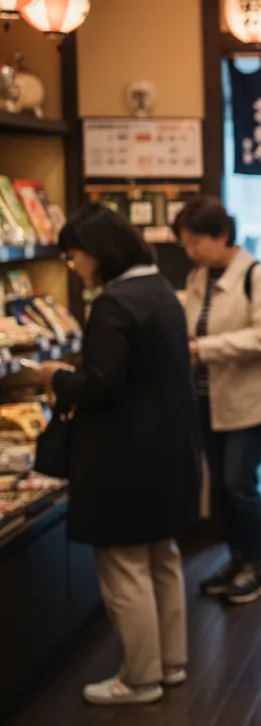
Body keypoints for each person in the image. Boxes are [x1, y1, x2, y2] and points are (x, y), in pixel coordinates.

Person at [32, 204, 199, 705]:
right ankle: (170, 665)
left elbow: (101, 383)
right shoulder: (159, 290)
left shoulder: (113, 303)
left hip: (122, 457)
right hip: (167, 451)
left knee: (124, 568)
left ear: (96, 252)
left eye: (73, 256)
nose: (75, 266)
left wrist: (54, 378)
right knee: (162, 558)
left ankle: (139, 677)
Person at [174, 195, 261, 605]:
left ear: (222, 235)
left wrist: (203, 348)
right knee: (221, 487)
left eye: (195, 242)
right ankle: (237, 559)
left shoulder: (258, 276)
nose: (190, 252)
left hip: (247, 402)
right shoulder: (196, 279)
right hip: (206, 400)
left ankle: (257, 567)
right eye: (185, 244)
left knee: (240, 484)